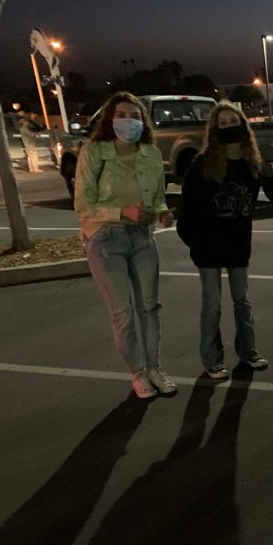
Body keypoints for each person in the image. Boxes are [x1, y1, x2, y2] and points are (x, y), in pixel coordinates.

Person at [74, 92, 177, 399]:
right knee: (123, 313)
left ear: (142, 121)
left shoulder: (151, 153)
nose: (128, 121)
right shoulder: (94, 152)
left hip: (142, 237)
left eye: (134, 115)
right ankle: (138, 373)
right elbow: (82, 205)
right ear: (109, 119)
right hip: (105, 240)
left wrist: (161, 212)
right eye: (121, 115)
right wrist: (120, 212)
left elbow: (157, 195)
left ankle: (155, 368)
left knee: (150, 308)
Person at [176, 101, 269, 379]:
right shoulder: (203, 163)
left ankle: (248, 352)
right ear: (215, 129)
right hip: (208, 246)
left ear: (243, 125)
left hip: (238, 244)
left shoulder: (253, 163)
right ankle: (212, 359)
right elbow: (187, 206)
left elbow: (270, 188)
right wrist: (194, 242)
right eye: (223, 123)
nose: (229, 127)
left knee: (243, 300)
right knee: (212, 303)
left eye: (233, 121)